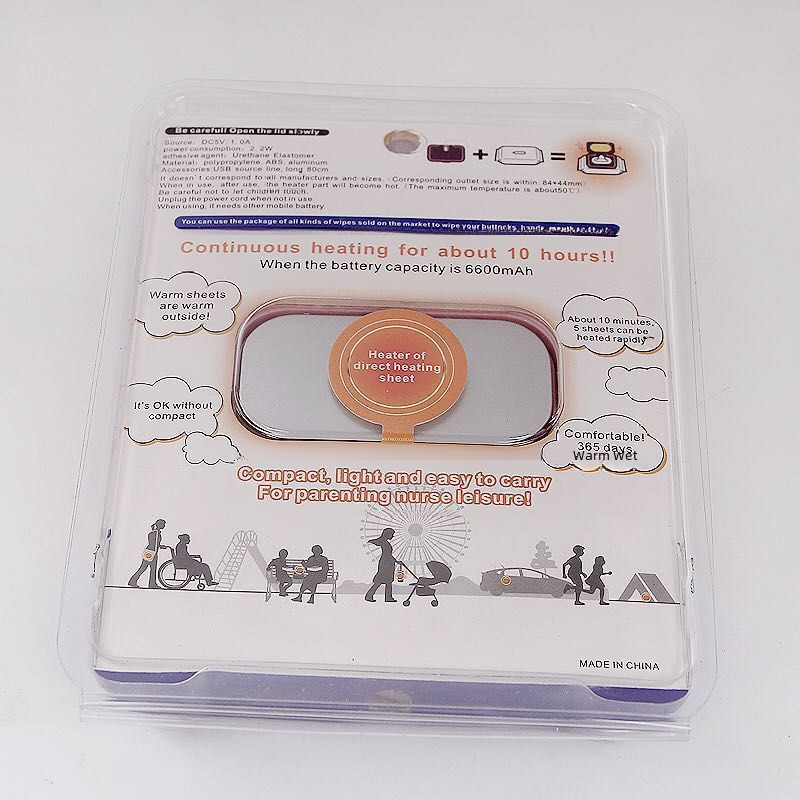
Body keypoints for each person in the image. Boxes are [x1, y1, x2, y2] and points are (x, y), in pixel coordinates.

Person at [128, 519, 168, 588]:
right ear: (159, 524)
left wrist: (160, 546)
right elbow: (154, 544)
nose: (164, 526)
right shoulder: (156, 533)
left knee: (145, 568)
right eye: (163, 524)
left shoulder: (154, 532)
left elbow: (154, 543)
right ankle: (150, 584)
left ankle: (137, 581)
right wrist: (157, 550)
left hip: (150, 552)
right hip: (152, 553)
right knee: (147, 568)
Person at [365, 528, 397, 603]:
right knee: (380, 581)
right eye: (392, 534)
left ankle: (388, 597)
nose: (392, 536)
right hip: (386, 563)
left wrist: (396, 561)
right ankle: (369, 596)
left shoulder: (385, 542)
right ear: (387, 534)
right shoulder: (384, 542)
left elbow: (388, 554)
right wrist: (394, 561)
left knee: (387, 581)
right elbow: (387, 554)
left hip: (387, 562)